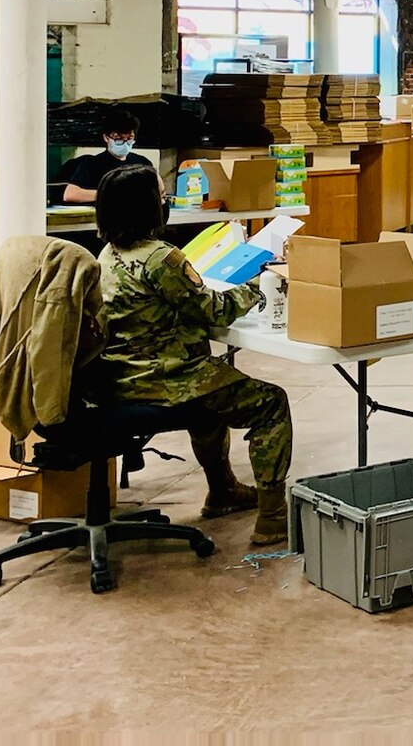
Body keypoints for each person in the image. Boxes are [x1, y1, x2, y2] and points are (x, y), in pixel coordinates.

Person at [89, 161, 293, 545]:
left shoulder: (107, 255)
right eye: (161, 197)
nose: (166, 202)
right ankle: (272, 516)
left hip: (119, 375)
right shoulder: (161, 258)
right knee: (270, 404)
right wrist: (261, 282)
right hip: (168, 378)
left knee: (216, 390)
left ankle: (223, 491)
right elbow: (215, 310)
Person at [60, 108, 146, 205]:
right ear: (106, 138)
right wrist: (111, 194)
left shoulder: (142, 163)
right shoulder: (91, 164)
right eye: (119, 139)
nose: (125, 144)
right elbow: (70, 194)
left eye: (129, 139)